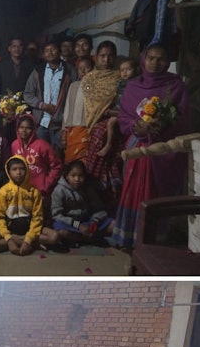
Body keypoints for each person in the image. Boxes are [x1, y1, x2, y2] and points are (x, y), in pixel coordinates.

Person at [112, 43, 189, 249]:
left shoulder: (175, 85)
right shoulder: (133, 85)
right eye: (151, 58)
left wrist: (158, 126)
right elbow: (124, 117)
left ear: (168, 61)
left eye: (161, 58)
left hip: (162, 149)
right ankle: (129, 237)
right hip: (137, 145)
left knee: (154, 192)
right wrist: (137, 126)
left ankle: (152, 239)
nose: (155, 63)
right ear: (143, 59)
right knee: (132, 189)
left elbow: (181, 118)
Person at [0, 155, 58, 255]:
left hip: (29, 227)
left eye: (22, 169)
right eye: (14, 169)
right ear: (9, 172)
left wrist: (28, 239)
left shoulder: (34, 191)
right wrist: (9, 240)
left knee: (54, 236)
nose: (18, 172)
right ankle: (31, 243)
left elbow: (37, 217)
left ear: (27, 170)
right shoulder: (3, 192)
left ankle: (26, 241)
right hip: (10, 228)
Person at [81, 41, 123, 213]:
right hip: (96, 128)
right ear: (96, 57)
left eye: (110, 55)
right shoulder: (89, 79)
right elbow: (93, 103)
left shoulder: (121, 77)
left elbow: (126, 102)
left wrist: (115, 113)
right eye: (102, 56)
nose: (106, 59)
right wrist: (107, 112)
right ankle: (95, 207)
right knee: (95, 167)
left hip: (119, 127)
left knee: (115, 168)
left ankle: (113, 209)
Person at [23, 40, 78, 152]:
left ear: (59, 51)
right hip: (41, 123)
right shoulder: (38, 71)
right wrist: (42, 105)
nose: (50, 53)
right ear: (43, 54)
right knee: (41, 155)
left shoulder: (69, 70)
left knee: (59, 155)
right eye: (47, 51)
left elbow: (75, 94)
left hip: (61, 123)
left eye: (53, 49)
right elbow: (28, 94)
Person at [51, 159, 112, 246]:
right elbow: (57, 216)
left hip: (86, 221)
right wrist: (77, 225)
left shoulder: (88, 188)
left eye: (80, 176)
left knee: (113, 224)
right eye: (73, 175)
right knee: (61, 232)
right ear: (67, 176)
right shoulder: (59, 190)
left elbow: (99, 209)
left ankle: (86, 237)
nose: (77, 179)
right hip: (70, 223)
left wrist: (95, 221)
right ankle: (86, 238)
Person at [11, 113, 62, 201]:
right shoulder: (14, 145)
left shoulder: (42, 145)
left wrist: (47, 184)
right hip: (20, 191)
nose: (24, 130)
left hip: (40, 193)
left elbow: (57, 166)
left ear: (33, 129)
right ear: (17, 128)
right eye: (21, 127)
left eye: (28, 128)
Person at [60, 57, 94, 164]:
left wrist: (89, 82)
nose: (83, 71)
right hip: (71, 129)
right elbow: (67, 108)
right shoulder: (73, 85)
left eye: (87, 68)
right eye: (80, 68)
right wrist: (64, 129)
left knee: (83, 161)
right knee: (70, 161)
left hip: (85, 128)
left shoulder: (94, 86)